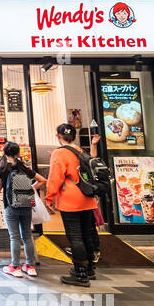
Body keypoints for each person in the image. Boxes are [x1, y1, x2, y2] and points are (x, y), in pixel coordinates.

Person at [44, 123, 99, 288]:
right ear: (74, 137)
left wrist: (49, 198)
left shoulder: (59, 153)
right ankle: (90, 269)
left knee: (75, 236)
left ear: (58, 136)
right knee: (87, 234)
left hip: (70, 200)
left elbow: (55, 178)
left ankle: (80, 274)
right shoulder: (81, 151)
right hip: (88, 198)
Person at [0, 141, 45, 280]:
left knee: (14, 237)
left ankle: (15, 267)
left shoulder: (1, 168)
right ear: (18, 153)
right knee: (27, 236)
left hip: (11, 206)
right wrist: (31, 189)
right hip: (26, 205)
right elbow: (42, 180)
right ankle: (30, 266)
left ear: (4, 152)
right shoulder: (23, 166)